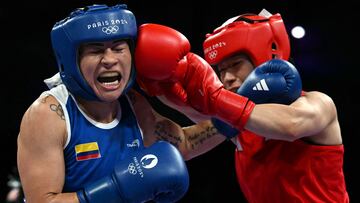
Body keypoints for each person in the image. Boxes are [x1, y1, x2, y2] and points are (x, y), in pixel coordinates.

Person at [16, 4, 227, 203]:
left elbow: (185, 143)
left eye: (118, 48)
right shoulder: (49, 115)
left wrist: (237, 109)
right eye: (96, 50)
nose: (109, 59)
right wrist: (113, 191)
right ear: (72, 61)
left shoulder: (133, 104)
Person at [134, 9, 349, 203]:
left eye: (236, 65)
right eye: (220, 70)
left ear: (266, 58)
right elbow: (185, 143)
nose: (226, 78)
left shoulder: (319, 104)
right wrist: (150, 93)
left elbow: (290, 125)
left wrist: (216, 99)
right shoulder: (239, 123)